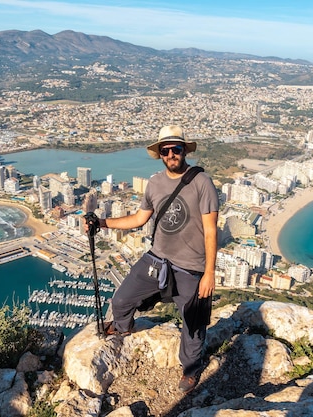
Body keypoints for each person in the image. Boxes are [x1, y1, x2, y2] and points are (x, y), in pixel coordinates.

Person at [92, 125, 219, 394]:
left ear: (185, 150)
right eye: (166, 150)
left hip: (191, 267)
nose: (172, 154)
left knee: (194, 324)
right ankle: (123, 328)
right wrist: (102, 223)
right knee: (121, 300)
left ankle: (191, 369)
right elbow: (139, 219)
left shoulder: (201, 182)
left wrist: (209, 273)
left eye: (176, 148)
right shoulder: (155, 183)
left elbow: (210, 230)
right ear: (159, 154)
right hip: (157, 258)